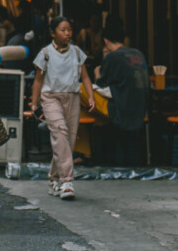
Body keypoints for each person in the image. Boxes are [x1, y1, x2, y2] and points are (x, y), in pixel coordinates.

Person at [28, 16, 95, 200]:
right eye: (63, 30)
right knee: (60, 133)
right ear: (52, 33)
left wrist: (90, 96)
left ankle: (53, 179)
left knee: (68, 140)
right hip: (50, 98)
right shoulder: (46, 54)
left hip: (72, 97)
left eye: (69, 30)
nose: (67, 33)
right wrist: (34, 103)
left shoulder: (77, 52)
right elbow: (38, 80)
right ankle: (67, 181)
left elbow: (86, 77)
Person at [96, 17, 149, 167]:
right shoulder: (138, 53)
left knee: (81, 92)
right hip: (141, 109)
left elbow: (101, 85)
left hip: (121, 108)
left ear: (106, 41)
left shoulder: (112, 57)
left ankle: (85, 151)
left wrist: (96, 74)